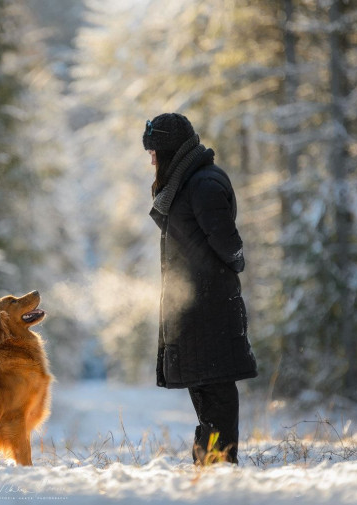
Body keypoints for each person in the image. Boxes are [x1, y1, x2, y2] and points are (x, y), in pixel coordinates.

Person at [142, 112, 257, 465]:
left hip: (211, 306)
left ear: (171, 151)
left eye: (155, 152)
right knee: (205, 387)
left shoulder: (203, 184)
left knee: (216, 387)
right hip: (196, 308)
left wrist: (224, 270)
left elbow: (230, 246)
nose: (151, 160)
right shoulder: (186, 183)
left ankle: (217, 463)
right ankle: (209, 461)